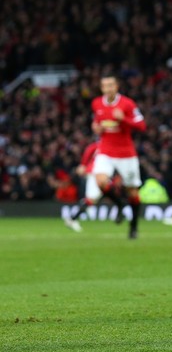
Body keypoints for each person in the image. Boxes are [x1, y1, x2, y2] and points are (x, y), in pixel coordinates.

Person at [91, 75, 146, 239]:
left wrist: (124, 119)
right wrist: (96, 128)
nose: (108, 88)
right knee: (100, 181)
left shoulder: (127, 104)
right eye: (105, 86)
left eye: (111, 85)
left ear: (117, 86)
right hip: (105, 150)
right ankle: (120, 204)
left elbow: (142, 126)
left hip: (126, 153)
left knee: (133, 192)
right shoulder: (96, 103)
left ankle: (133, 227)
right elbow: (97, 122)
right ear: (101, 88)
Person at [64, 140, 125, 232]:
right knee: (92, 199)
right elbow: (88, 153)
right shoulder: (101, 146)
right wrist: (83, 165)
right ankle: (72, 219)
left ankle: (120, 207)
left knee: (104, 192)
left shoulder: (98, 146)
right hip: (96, 173)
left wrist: (83, 165)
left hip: (101, 173)